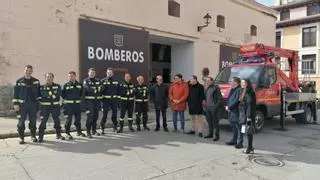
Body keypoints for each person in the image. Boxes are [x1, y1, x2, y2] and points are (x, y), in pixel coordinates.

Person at [13, 65, 40, 144]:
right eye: (27, 70)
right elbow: (16, 94)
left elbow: (39, 94)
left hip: (33, 105)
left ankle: (33, 136)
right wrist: (15, 104)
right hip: (22, 105)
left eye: (30, 70)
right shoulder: (19, 81)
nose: (28, 72)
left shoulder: (36, 81)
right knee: (21, 122)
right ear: (24, 71)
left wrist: (39, 105)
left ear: (32, 71)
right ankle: (21, 138)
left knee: (33, 121)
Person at [38, 73, 65, 142]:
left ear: (53, 78)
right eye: (48, 77)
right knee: (43, 121)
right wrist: (52, 95)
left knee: (57, 121)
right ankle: (40, 137)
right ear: (45, 78)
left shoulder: (57, 86)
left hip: (55, 107)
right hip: (45, 107)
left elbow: (58, 95)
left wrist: (48, 96)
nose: (49, 78)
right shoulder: (41, 87)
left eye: (50, 77)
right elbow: (42, 96)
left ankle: (58, 135)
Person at [62, 71, 86, 139]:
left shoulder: (79, 85)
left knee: (78, 119)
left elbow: (81, 94)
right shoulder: (66, 85)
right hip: (69, 105)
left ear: (75, 76)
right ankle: (67, 133)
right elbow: (63, 95)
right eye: (69, 76)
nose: (70, 77)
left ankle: (79, 132)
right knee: (69, 120)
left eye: (72, 76)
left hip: (77, 105)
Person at [83, 68, 102, 138]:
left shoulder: (98, 80)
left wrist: (95, 89)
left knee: (96, 116)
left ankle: (94, 130)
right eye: (91, 72)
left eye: (93, 73)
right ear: (88, 73)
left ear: (95, 73)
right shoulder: (86, 80)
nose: (92, 74)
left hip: (97, 102)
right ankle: (88, 132)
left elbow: (101, 88)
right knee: (90, 117)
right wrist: (96, 89)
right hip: (89, 102)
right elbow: (88, 88)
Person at [239, 79, 256, 154]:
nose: (242, 84)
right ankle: (250, 147)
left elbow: (250, 105)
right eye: (241, 82)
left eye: (244, 83)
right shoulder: (243, 90)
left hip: (247, 115)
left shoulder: (249, 92)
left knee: (248, 131)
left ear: (247, 84)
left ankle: (249, 148)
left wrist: (248, 117)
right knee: (246, 131)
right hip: (243, 114)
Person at [100, 68, 120, 134]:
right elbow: (100, 91)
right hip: (105, 100)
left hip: (114, 100)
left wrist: (118, 101)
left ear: (113, 73)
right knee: (104, 115)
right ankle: (102, 127)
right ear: (106, 73)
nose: (109, 74)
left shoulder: (116, 81)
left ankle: (115, 127)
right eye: (108, 72)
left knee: (114, 114)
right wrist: (103, 86)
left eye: (111, 73)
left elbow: (118, 91)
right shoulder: (103, 81)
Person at [204, 77, 223, 141]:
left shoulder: (216, 88)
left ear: (212, 81)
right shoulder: (207, 88)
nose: (207, 82)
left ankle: (216, 136)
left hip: (214, 108)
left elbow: (220, 99)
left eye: (209, 81)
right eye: (206, 81)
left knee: (215, 122)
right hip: (208, 107)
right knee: (209, 121)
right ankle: (210, 134)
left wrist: (215, 106)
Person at [225, 77, 242, 148]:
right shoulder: (232, 89)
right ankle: (234, 140)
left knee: (238, 127)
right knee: (233, 127)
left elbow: (237, 101)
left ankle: (239, 142)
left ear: (236, 82)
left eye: (231, 81)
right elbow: (229, 99)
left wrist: (229, 107)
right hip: (231, 111)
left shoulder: (239, 90)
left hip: (236, 111)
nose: (230, 82)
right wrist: (227, 106)